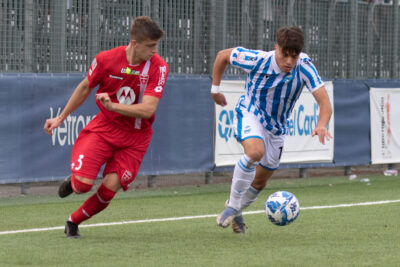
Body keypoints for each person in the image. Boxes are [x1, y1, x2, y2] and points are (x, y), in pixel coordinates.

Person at [43, 16, 169, 238]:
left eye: (156, 45)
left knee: (109, 188)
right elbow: (85, 87)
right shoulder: (105, 60)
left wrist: (113, 106)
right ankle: (74, 183)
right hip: (104, 129)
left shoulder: (158, 68)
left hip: (136, 138)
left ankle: (73, 221)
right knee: (83, 185)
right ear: (134, 43)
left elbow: (148, 110)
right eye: (150, 46)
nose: (154, 51)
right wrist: (61, 117)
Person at [211, 26, 332, 234]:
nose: (289, 62)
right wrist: (215, 89)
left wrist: (321, 124)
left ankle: (236, 208)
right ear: (276, 48)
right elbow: (223, 56)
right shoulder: (257, 59)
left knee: (259, 182)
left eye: (293, 57)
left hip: (277, 128)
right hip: (250, 112)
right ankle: (232, 206)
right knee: (255, 152)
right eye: (285, 55)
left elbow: (324, 102)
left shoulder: (304, 66)